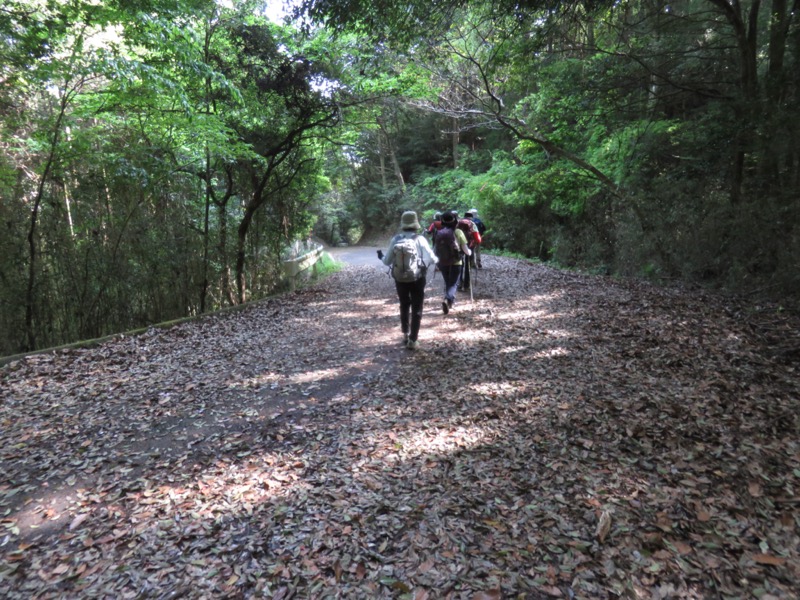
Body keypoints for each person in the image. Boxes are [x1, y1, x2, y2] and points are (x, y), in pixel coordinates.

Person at [377, 211, 438, 350]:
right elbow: (432, 258)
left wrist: (381, 257)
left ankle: (405, 333)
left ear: (403, 224)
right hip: (417, 277)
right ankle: (413, 340)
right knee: (417, 306)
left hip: (400, 278)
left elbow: (387, 262)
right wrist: (435, 261)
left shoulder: (396, 239)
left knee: (404, 304)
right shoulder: (420, 239)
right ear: (416, 224)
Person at [435, 211, 471, 314]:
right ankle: (448, 299)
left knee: (448, 282)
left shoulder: (439, 232)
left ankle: (450, 302)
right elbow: (465, 250)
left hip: (443, 262)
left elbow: (435, 249)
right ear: (455, 221)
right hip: (456, 262)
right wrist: (470, 252)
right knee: (454, 284)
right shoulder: (458, 232)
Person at [457, 213, 481, 291]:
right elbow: (477, 238)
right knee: (468, 265)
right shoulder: (472, 223)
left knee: (460, 264)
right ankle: (466, 285)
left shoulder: (458, 222)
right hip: (469, 246)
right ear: (471, 217)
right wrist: (476, 242)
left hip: (459, 246)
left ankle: (459, 283)